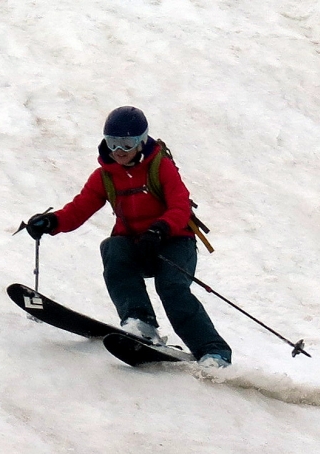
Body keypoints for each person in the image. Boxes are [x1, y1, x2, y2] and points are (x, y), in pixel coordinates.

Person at [25, 106, 232, 367]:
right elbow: (79, 208)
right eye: (112, 144)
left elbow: (180, 206)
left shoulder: (161, 167)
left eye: (126, 143)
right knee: (112, 248)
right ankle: (140, 323)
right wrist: (52, 222)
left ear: (141, 141)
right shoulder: (105, 176)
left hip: (174, 241)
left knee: (172, 288)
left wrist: (160, 229)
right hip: (137, 245)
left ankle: (214, 352)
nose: (119, 152)